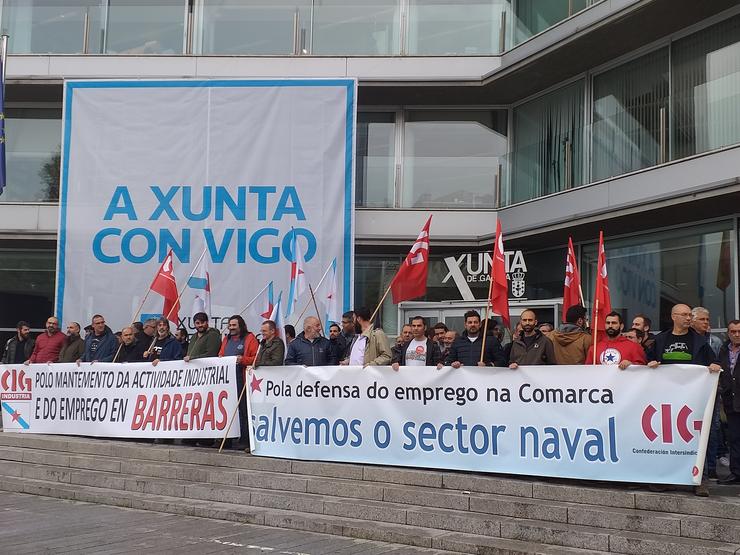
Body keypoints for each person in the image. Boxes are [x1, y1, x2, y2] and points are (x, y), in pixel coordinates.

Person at [646, 303, 721, 497]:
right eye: (685, 315)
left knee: (696, 438)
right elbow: (647, 361)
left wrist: (714, 365)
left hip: (693, 400)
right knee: (667, 439)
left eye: (690, 315)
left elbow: (715, 362)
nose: (689, 318)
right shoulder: (661, 339)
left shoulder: (700, 341)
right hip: (666, 399)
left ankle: (699, 479)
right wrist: (650, 363)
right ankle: (667, 478)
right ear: (674, 317)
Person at [218, 315, 258, 450]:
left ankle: (246, 440)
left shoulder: (249, 338)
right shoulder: (226, 339)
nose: (231, 327)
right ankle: (227, 439)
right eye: (230, 325)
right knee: (227, 409)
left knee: (243, 411)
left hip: (242, 378)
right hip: (227, 381)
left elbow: (255, 358)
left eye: (234, 325)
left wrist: (243, 360)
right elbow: (221, 354)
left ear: (240, 325)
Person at [440, 310, 506, 368]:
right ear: (465, 325)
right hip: (463, 380)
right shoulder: (458, 342)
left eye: (475, 322)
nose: (473, 325)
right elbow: (448, 362)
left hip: (484, 379)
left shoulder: (491, 341)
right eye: (470, 322)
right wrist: (453, 364)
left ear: (480, 324)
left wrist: (488, 366)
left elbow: (502, 361)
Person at [718, 320, 740, 484]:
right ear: (728, 333)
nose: (736, 334)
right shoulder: (724, 349)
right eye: (733, 331)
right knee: (734, 438)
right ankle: (736, 472)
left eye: (739, 331)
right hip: (731, 401)